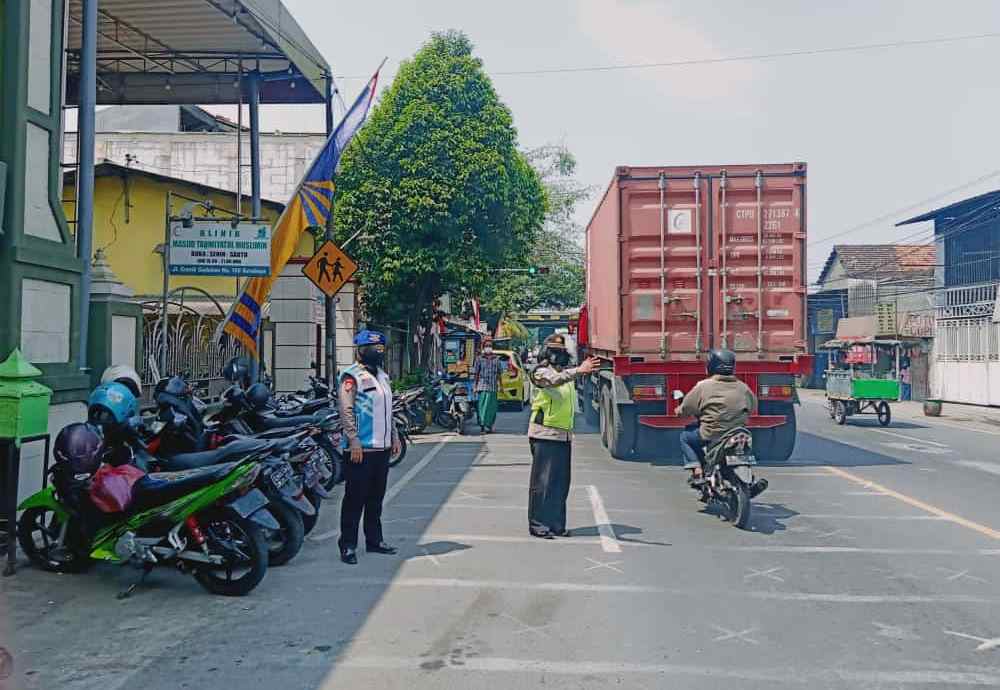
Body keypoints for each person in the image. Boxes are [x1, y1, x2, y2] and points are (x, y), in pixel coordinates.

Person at [527, 334, 600, 539]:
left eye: (559, 351)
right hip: (544, 434)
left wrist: (580, 369)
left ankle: (557, 524)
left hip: (563, 436)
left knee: (560, 484)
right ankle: (539, 525)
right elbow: (553, 381)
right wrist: (578, 370)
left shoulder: (565, 373)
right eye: (553, 351)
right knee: (542, 483)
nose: (556, 355)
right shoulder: (540, 372)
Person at [337, 329, 400, 565]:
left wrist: (393, 436)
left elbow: (388, 410)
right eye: (374, 349)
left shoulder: (383, 376)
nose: (378, 352)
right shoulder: (350, 376)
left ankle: (374, 540)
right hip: (360, 449)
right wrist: (353, 440)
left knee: (376, 498)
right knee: (355, 499)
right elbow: (346, 410)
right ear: (361, 351)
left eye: (381, 349)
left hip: (381, 449)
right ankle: (348, 545)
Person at [677, 348, 756, 483]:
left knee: (685, 437)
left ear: (710, 366)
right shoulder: (743, 387)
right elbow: (752, 407)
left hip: (712, 433)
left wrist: (679, 411)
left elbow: (686, 408)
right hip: (738, 433)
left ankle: (697, 468)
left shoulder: (703, 386)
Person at [472, 338, 503, 433]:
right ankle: (482, 425)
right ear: (483, 347)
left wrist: (501, 386)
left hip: (493, 387)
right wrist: (475, 386)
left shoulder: (497, 359)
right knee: (482, 407)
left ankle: (489, 426)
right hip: (482, 386)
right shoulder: (479, 359)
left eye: (490, 346)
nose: (488, 348)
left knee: (492, 408)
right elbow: (476, 373)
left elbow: (499, 374)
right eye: (486, 346)